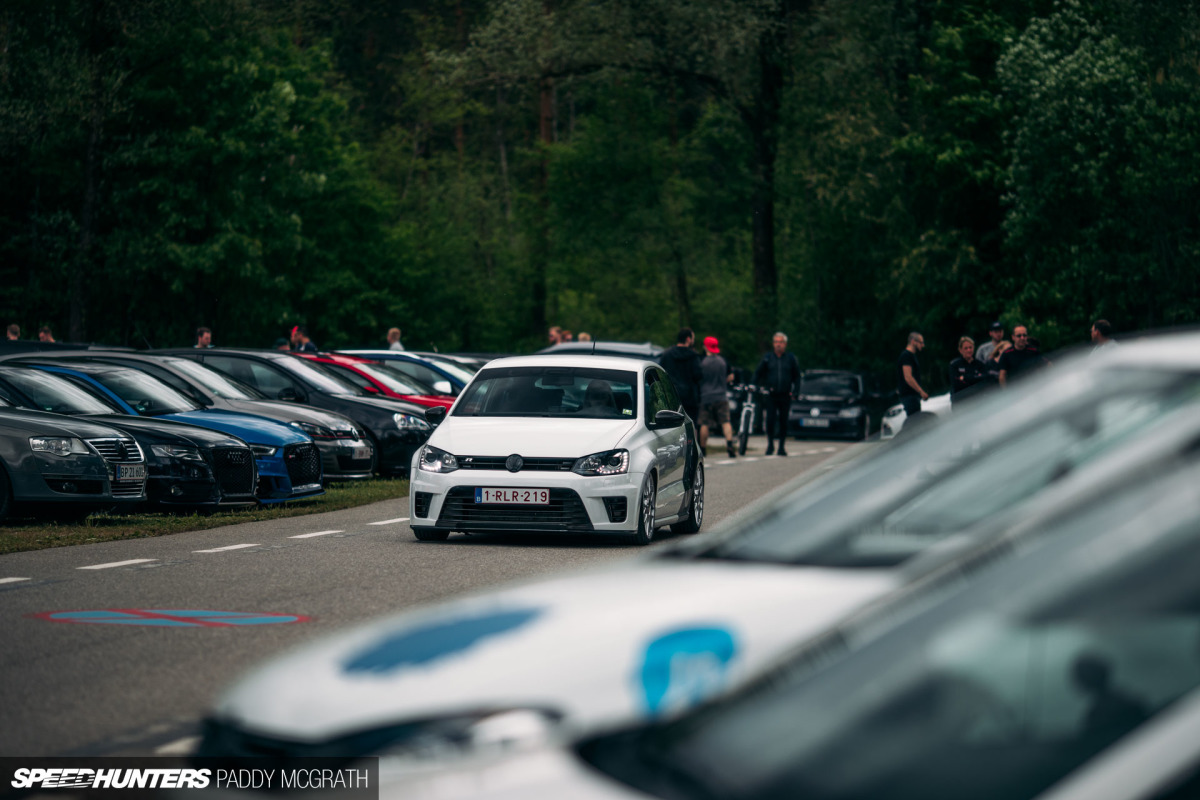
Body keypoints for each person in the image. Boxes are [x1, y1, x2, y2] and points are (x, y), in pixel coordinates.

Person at [753, 332, 801, 456]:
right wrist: (754, 385)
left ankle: (781, 446)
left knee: (783, 421)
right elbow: (758, 373)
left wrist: (796, 390)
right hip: (771, 394)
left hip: (785, 394)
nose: (778, 344)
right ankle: (770, 445)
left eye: (780, 342)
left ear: (785, 344)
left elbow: (797, 377)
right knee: (770, 420)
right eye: (776, 342)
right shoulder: (768, 358)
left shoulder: (790, 358)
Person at [698, 336, 736, 458]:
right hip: (721, 396)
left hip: (706, 397)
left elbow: (698, 378)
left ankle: (703, 448)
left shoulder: (702, 362)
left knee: (704, 423)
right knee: (726, 422)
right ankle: (730, 444)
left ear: (705, 347)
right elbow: (731, 377)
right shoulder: (723, 361)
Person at [658, 327, 703, 424]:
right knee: (691, 424)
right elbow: (698, 375)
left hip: (671, 395)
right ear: (688, 339)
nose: (693, 341)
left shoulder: (667, 354)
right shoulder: (693, 356)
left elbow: (660, 374)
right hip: (690, 397)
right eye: (693, 339)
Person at [896, 332, 929, 416]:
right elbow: (908, 377)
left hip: (912, 396)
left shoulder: (911, 356)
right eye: (921, 342)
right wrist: (921, 392)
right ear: (913, 341)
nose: (922, 345)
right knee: (915, 421)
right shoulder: (906, 356)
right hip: (909, 396)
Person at [948, 336, 985, 406]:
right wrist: (975, 378)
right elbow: (956, 384)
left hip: (977, 400)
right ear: (960, 350)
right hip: (961, 402)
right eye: (966, 348)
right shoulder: (954, 365)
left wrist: (965, 378)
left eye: (970, 347)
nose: (969, 350)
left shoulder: (980, 364)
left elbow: (984, 381)